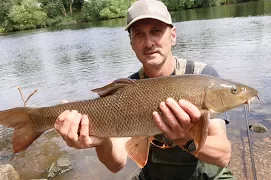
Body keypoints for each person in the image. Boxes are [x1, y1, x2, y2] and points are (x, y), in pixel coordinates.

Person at [54, 0, 236, 179]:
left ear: (173, 35)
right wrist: (101, 141)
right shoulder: (129, 90)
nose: (148, 43)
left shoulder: (202, 76)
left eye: (156, 31)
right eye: (139, 34)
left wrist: (185, 140)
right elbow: (115, 165)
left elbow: (222, 156)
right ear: (131, 43)